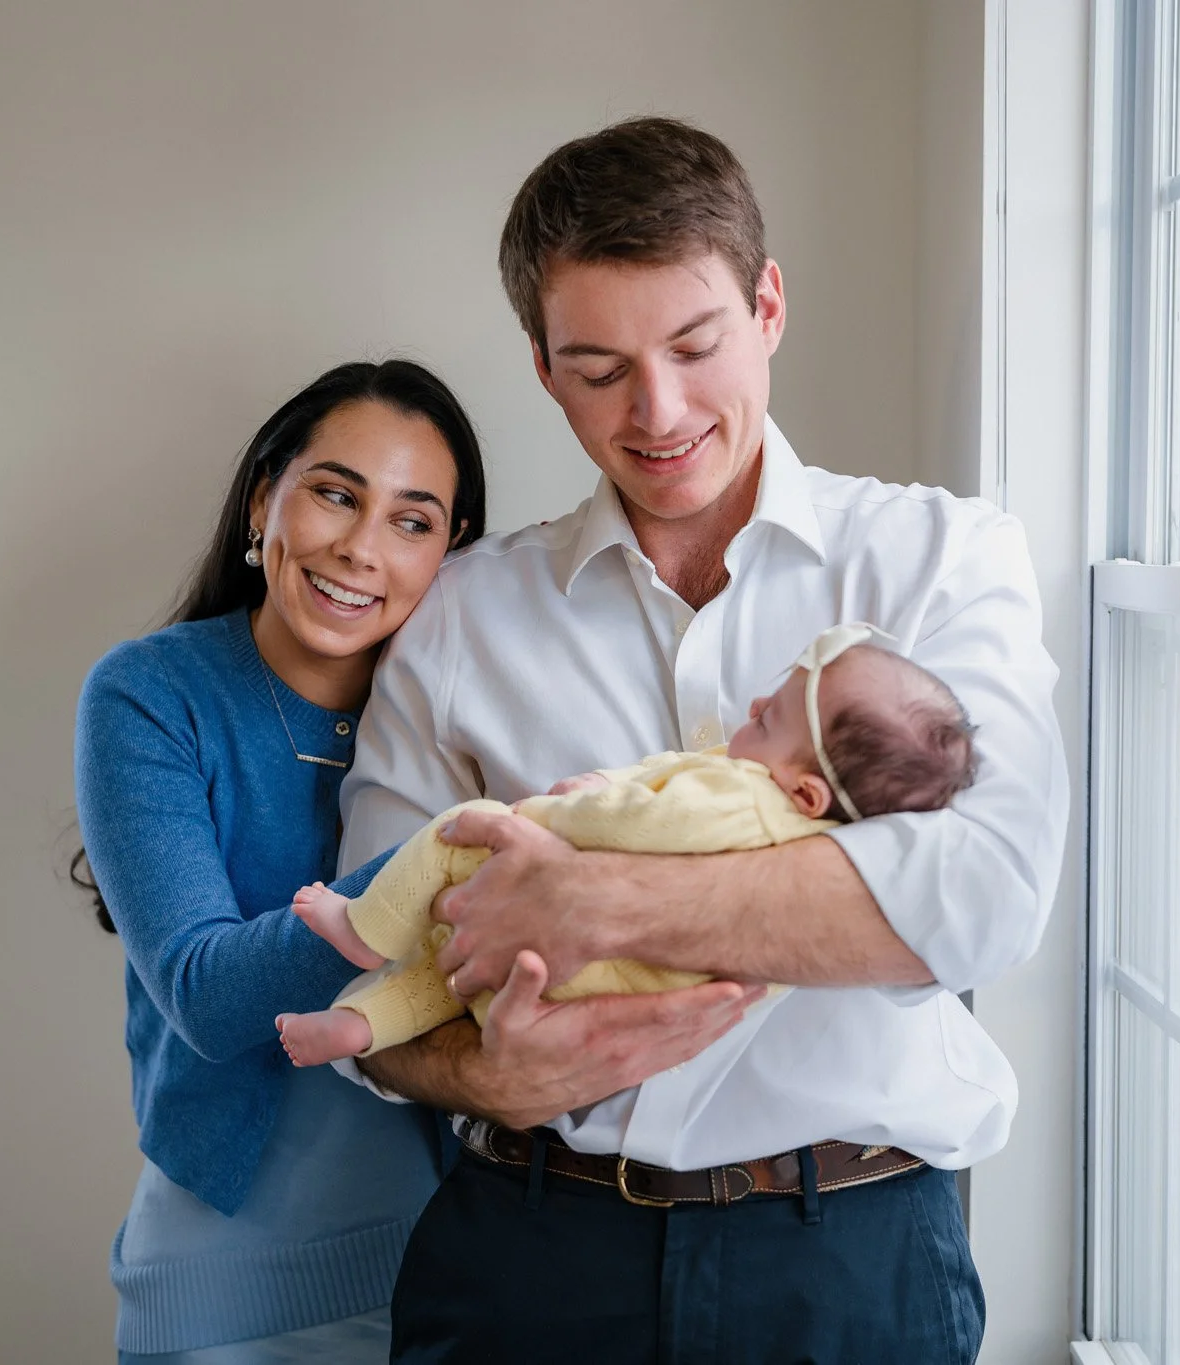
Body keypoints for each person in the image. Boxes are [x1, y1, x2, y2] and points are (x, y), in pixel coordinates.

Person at [333, 118, 1069, 1363]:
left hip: (850, 1263)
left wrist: (595, 906)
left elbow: (983, 900)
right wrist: (476, 1077)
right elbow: (374, 944)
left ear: (767, 305)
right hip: (525, 1255)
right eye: (598, 366)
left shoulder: (941, 558)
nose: (657, 410)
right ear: (541, 369)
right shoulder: (461, 612)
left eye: (692, 344)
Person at [71, 360, 499, 1363]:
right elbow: (207, 995)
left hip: (458, 1264)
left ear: (451, 552)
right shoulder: (150, 695)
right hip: (227, 1283)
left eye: (411, 519)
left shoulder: (467, 709)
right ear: (264, 497)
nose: (359, 548)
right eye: (335, 494)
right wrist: (449, 856)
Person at [274, 624, 977, 1066]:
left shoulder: (749, 797)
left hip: (575, 970)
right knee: (451, 979)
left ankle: (365, 929)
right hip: (589, 992)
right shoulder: (809, 841)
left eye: (779, 715)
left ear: (806, 792)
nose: (758, 705)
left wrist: (561, 811)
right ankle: (355, 1029)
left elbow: (647, 821)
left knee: (461, 836)